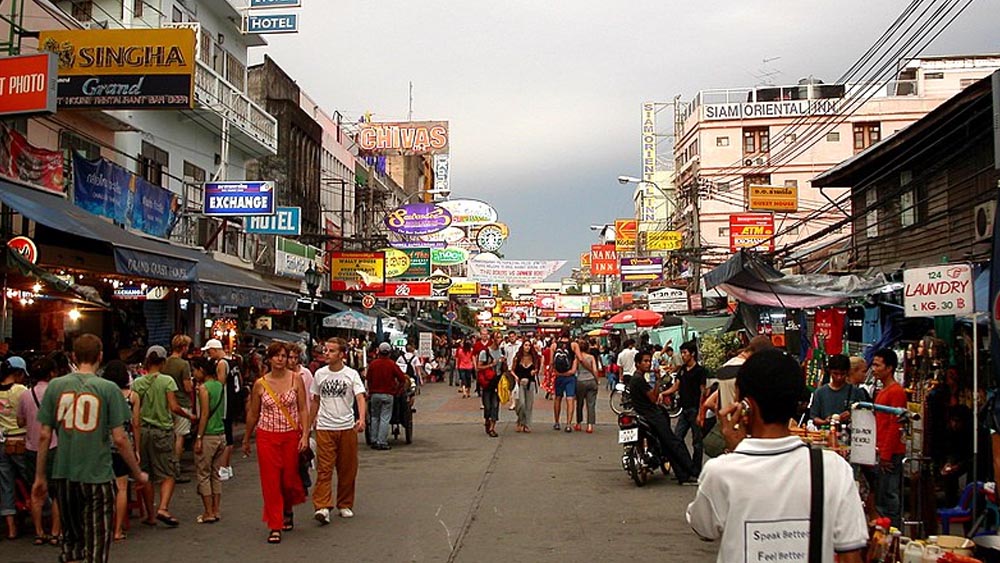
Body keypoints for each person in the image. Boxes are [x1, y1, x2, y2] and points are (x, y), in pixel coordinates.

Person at [685, 349, 868, 562]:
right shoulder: (833, 469)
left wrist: (737, 451)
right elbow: (851, 554)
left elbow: (704, 528)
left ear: (746, 404)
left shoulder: (722, 471)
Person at [33, 334, 149, 563]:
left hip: (64, 473)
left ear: (74, 356)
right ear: (100, 356)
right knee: (97, 542)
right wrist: (137, 472)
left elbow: (45, 434)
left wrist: (40, 475)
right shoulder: (109, 389)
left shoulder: (56, 387)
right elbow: (120, 438)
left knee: (72, 540)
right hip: (97, 474)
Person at [242, 342, 310, 544]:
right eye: (276, 356)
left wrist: (305, 434)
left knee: (288, 479)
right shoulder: (260, 384)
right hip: (267, 436)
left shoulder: (296, 380)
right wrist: (246, 438)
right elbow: (253, 413)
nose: (280, 359)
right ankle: (275, 525)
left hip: (290, 435)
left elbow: (303, 409)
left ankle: (287, 507)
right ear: (269, 359)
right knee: (271, 482)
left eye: (283, 355)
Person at [131, 345, 197, 527]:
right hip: (162, 431)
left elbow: (135, 412)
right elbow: (174, 407)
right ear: (163, 362)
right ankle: (163, 508)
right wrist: (189, 416)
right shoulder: (167, 381)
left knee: (147, 474)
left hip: (143, 431)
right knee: (168, 473)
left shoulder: (137, 383)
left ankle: (151, 515)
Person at [310, 337, 367, 525]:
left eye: (331, 351)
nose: (326, 353)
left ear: (342, 354)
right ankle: (323, 506)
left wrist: (361, 418)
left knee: (347, 469)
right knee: (324, 468)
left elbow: (360, 397)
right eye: (326, 350)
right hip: (325, 427)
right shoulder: (319, 374)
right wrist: (309, 425)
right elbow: (315, 400)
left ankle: (344, 503)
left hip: (346, 426)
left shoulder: (351, 375)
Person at [626, 351, 698, 485]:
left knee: (667, 446)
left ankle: (683, 475)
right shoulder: (639, 379)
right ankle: (692, 471)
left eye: (649, 361)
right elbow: (653, 398)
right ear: (637, 364)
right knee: (674, 443)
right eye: (645, 361)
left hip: (646, 415)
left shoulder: (637, 378)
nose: (648, 364)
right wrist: (658, 380)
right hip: (652, 416)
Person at [17, 357, 61, 545]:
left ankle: (38, 532)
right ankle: (55, 532)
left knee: (36, 491)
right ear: (52, 373)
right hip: (53, 446)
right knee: (56, 492)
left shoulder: (25, 395)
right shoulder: (57, 393)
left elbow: (20, 421)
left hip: (31, 448)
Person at [100, 360, 139, 543]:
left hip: (102, 444)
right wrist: (137, 449)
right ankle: (117, 529)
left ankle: (103, 526)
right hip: (123, 444)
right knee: (122, 487)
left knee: (103, 488)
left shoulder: (101, 394)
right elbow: (135, 424)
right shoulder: (132, 396)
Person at [872, 348, 906, 529]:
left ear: (889, 368)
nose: (874, 368)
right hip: (882, 450)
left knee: (889, 496)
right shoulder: (882, 391)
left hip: (891, 453)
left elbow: (896, 425)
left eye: (878, 365)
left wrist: (885, 454)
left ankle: (894, 534)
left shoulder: (896, 392)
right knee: (882, 496)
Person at [192, 357, 226, 524]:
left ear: (202, 370)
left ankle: (208, 512)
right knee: (215, 474)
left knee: (203, 474)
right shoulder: (220, 386)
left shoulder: (204, 389)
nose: (193, 373)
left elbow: (204, 414)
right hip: (221, 434)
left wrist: (199, 437)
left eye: (195, 370)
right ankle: (216, 509)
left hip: (209, 434)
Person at [667, 341, 708, 474]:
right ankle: (687, 466)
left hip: (695, 409)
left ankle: (696, 471)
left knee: (697, 442)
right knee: (677, 438)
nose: (683, 356)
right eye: (682, 353)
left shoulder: (700, 371)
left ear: (693, 354)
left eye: (685, 353)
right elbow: (675, 387)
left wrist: (701, 412)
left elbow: (703, 392)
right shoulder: (683, 370)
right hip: (684, 410)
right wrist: (663, 393)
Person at [0, 355, 28, 539]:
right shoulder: (21, 391)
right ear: (17, 373)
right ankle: (45, 517)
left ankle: (10, 528)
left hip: (1, 443)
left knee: (5, 485)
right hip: (20, 441)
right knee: (33, 480)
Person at [160, 335, 193, 484]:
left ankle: (166, 466)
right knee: (180, 436)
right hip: (181, 403)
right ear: (184, 347)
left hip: (166, 402)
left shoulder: (165, 363)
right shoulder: (183, 364)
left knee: (169, 435)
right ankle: (175, 468)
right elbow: (187, 387)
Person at [365, 342, 409, 450]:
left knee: (375, 417)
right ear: (389, 353)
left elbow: (368, 379)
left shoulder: (373, 364)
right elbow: (402, 379)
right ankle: (382, 442)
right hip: (388, 395)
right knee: (385, 418)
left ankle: (374, 440)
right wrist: (397, 390)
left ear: (378, 352)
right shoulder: (392, 364)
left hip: (374, 395)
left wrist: (370, 391)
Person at [204, 339, 236, 482]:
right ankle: (227, 466)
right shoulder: (233, 361)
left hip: (225, 403)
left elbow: (220, 384)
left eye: (209, 351)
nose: (209, 354)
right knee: (229, 435)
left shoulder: (222, 363)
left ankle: (223, 467)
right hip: (232, 402)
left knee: (226, 436)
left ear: (215, 349)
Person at [809, 354, 857, 427]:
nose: (839, 377)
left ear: (847, 372)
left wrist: (852, 415)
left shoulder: (856, 392)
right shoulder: (820, 393)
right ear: (830, 371)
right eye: (835, 373)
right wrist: (825, 421)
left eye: (842, 374)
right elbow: (814, 418)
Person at [477, 335, 504, 437]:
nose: (500, 340)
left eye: (500, 338)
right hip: (487, 382)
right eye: (497, 338)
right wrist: (491, 365)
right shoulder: (485, 352)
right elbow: (479, 367)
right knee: (487, 406)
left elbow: (503, 368)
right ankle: (487, 419)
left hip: (497, 381)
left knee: (495, 405)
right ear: (492, 340)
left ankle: (492, 427)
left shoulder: (501, 352)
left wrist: (504, 363)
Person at [550, 331, 577, 432]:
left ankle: (557, 422)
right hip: (570, 376)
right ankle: (568, 424)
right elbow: (579, 358)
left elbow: (551, 362)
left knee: (558, 398)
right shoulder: (574, 345)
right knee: (570, 400)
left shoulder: (554, 345)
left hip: (558, 376)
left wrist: (555, 372)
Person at [512, 340, 540, 433]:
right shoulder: (518, 357)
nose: (527, 347)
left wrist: (535, 371)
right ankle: (520, 420)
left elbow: (537, 368)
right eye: (525, 345)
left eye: (529, 345)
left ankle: (526, 424)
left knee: (529, 405)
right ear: (522, 346)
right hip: (520, 383)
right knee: (521, 404)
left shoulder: (534, 358)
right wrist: (516, 377)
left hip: (530, 383)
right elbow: (512, 370)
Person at [574, 340, 600, 434]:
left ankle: (579, 423)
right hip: (591, 380)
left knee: (580, 404)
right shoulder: (591, 357)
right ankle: (590, 425)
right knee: (591, 404)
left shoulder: (577, 358)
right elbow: (595, 370)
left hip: (580, 381)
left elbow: (575, 370)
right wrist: (597, 380)